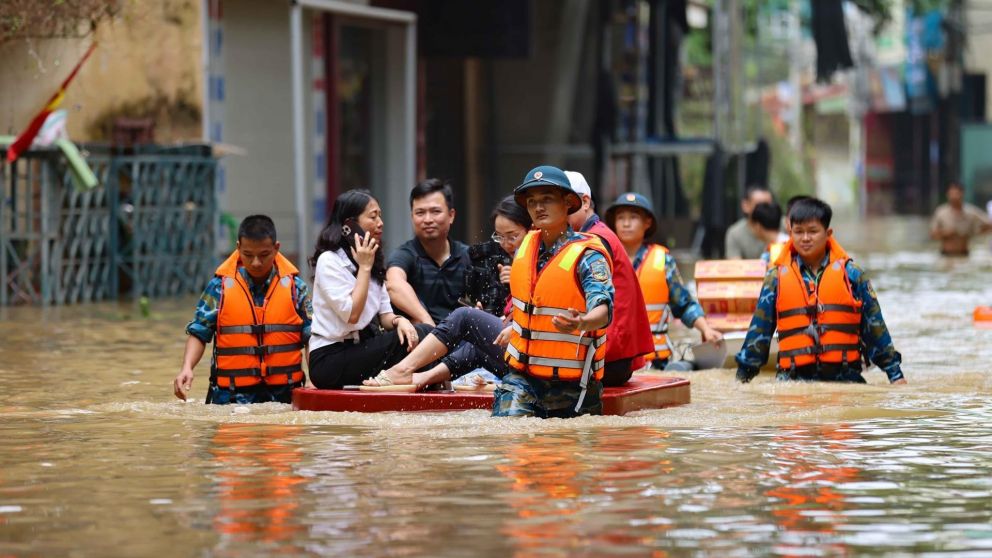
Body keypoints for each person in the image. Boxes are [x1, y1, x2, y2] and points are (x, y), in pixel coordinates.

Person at [366, 165, 615, 418]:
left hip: (572, 386)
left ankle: (412, 373)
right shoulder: (527, 246)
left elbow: (603, 309)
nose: (539, 207)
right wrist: (516, 326)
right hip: (524, 375)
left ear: (568, 203)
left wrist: (582, 321)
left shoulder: (587, 255)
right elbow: (532, 305)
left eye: (547, 200)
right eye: (532, 202)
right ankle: (414, 374)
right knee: (505, 439)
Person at [735, 198, 907, 385]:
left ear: (828, 233)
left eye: (813, 231)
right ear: (790, 233)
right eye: (799, 232)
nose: (805, 238)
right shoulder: (775, 278)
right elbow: (759, 334)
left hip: (845, 380)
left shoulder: (852, 275)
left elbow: (876, 330)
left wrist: (895, 375)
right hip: (793, 381)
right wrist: (742, 380)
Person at [173, 215, 312, 404]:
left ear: (276, 248)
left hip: (284, 395)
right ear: (238, 248)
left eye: (263, 255)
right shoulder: (219, 287)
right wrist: (187, 367)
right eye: (248, 255)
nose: (256, 262)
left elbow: (311, 337)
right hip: (230, 396)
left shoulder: (296, 288)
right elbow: (199, 332)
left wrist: (314, 379)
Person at [307, 190, 433, 389]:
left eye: (380, 216)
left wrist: (400, 321)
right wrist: (364, 268)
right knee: (425, 337)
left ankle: (430, 383)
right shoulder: (329, 261)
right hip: (329, 359)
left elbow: (385, 315)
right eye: (373, 217)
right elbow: (352, 314)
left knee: (422, 335)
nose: (380, 223)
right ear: (350, 225)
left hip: (361, 349)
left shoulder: (374, 259)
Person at [605, 192, 723, 370]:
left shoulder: (662, 260)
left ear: (647, 223)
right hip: (616, 360)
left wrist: (705, 329)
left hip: (657, 362)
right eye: (621, 218)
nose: (626, 223)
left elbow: (683, 304)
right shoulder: (603, 258)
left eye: (633, 217)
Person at [564, 171, 654, 386]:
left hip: (605, 358)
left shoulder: (595, 240)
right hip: (611, 355)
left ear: (584, 202)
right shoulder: (589, 236)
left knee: (467, 319)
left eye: (563, 204)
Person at [386, 179, 471, 325]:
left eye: (435, 211)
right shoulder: (405, 255)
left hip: (463, 339)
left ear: (451, 215)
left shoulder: (468, 256)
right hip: (423, 337)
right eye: (420, 213)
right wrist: (428, 323)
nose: (427, 219)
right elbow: (393, 285)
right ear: (412, 217)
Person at [462, 196, 532, 317]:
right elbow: (468, 298)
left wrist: (517, 280)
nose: (505, 244)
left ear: (531, 229)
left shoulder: (541, 257)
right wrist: (476, 307)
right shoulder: (484, 255)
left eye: (513, 237)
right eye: (499, 236)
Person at [930, 182, 992, 256]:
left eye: (956, 193)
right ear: (947, 194)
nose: (954, 197)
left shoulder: (971, 212)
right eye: (951, 194)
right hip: (946, 254)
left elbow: (989, 224)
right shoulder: (941, 212)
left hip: (964, 254)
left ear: (962, 193)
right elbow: (932, 234)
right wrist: (946, 233)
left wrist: (976, 231)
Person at [725, 185, 775, 259]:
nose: (765, 211)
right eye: (760, 206)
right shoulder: (735, 233)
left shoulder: (786, 226)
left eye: (768, 206)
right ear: (745, 206)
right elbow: (735, 265)